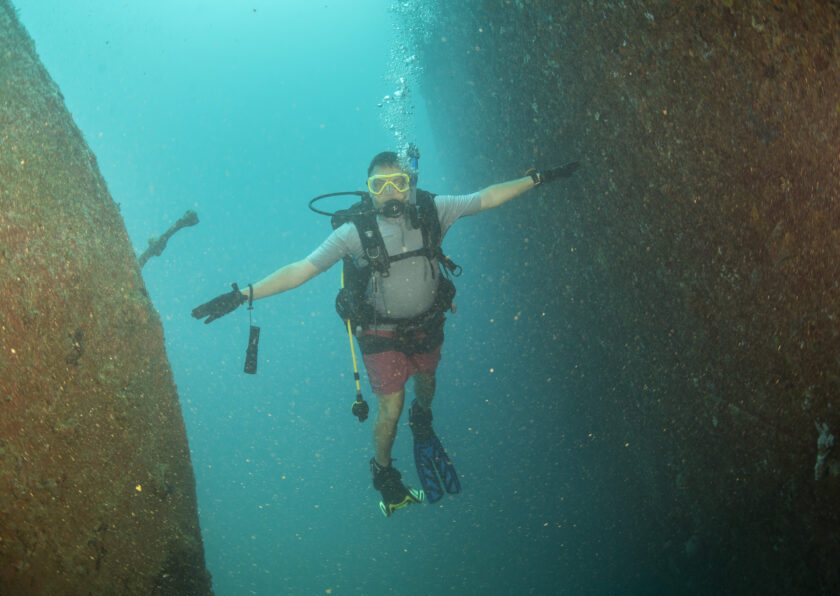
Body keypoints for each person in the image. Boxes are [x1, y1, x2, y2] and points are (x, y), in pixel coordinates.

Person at [192, 150, 578, 516]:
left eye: (395, 183)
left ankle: (422, 418)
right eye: (378, 187)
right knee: (389, 409)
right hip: (379, 331)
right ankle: (384, 472)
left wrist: (536, 178)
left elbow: (486, 198)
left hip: (428, 322)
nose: (389, 193)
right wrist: (244, 294)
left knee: (427, 382)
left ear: (408, 183)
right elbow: (302, 269)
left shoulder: (433, 209)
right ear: (369, 190)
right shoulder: (354, 232)